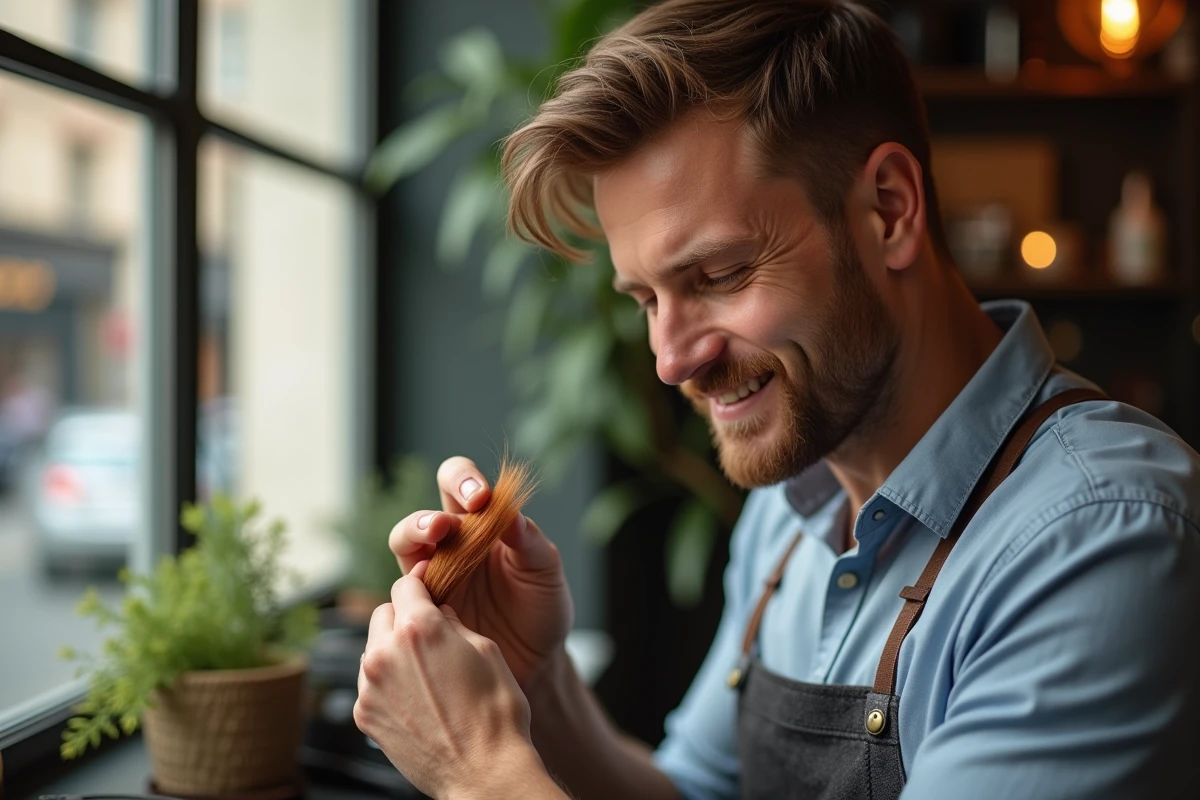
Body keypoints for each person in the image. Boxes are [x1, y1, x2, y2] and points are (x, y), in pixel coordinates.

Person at [352, 1, 1200, 797]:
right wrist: (536, 679)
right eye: (645, 299)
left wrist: (481, 771)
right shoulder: (792, 507)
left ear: (889, 209)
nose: (671, 360)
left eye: (718, 276)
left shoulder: (1101, 538)